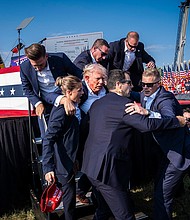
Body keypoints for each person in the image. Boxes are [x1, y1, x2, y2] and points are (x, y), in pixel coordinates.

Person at [81, 69, 185, 220]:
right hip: (108, 171)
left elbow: (84, 128)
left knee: (104, 210)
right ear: (118, 85)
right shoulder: (125, 105)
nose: (133, 86)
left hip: (90, 166)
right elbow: (147, 125)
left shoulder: (97, 104)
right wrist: (178, 121)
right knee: (125, 216)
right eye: (129, 83)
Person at [126, 68, 190, 220]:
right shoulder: (144, 94)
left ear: (158, 84)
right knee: (160, 188)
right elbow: (132, 93)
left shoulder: (165, 99)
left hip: (178, 153)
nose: (145, 88)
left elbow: (168, 118)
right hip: (166, 152)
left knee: (161, 195)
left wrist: (148, 113)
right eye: (143, 84)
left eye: (150, 85)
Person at [42, 75, 83, 220]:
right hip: (61, 166)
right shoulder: (61, 112)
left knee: (70, 201)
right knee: (69, 203)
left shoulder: (71, 106)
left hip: (68, 163)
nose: (82, 92)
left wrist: (74, 159)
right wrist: (48, 167)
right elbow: (48, 138)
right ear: (69, 92)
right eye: (79, 90)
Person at [20, 43, 82, 135]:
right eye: (34, 66)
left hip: (65, 98)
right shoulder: (24, 67)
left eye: (40, 65)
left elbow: (78, 74)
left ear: (46, 56)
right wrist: (37, 103)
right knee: (48, 136)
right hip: (44, 105)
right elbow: (27, 89)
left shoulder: (60, 59)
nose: (38, 69)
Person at [76, 63, 108, 204]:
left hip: (104, 135)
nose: (101, 82)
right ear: (87, 78)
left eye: (103, 79)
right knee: (92, 166)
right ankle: (84, 191)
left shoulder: (105, 90)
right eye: (98, 79)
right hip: (85, 136)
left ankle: (83, 191)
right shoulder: (79, 90)